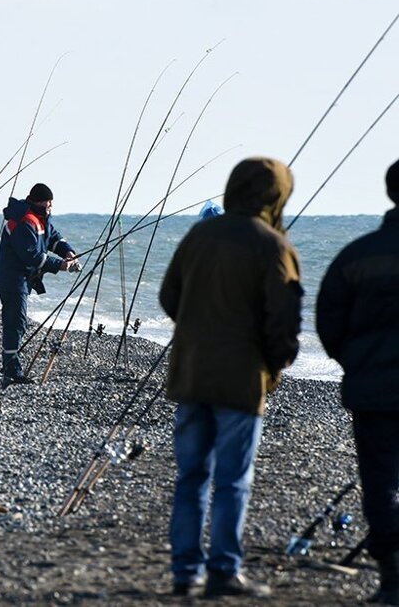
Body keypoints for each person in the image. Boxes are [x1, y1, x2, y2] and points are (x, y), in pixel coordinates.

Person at [159, 157, 302, 598]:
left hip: (191, 373)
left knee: (191, 476)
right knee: (233, 479)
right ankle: (223, 569)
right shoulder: (274, 245)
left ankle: (185, 571)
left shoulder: (201, 234)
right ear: (276, 194)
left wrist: (199, 328)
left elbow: (169, 296)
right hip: (241, 381)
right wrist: (274, 366)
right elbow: (284, 321)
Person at [316, 159, 399, 605]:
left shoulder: (359, 254)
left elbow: (328, 320)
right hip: (372, 386)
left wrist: (352, 362)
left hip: (373, 391)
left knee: (381, 480)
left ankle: (391, 577)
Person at [0, 183, 80, 383]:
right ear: (38, 201)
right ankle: (11, 372)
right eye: (48, 202)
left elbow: (53, 238)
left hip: (22, 280)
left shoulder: (40, 218)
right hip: (11, 279)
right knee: (15, 324)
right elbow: (31, 256)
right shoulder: (25, 221)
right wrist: (60, 265)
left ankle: (11, 368)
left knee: (18, 323)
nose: (50, 206)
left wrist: (67, 251)